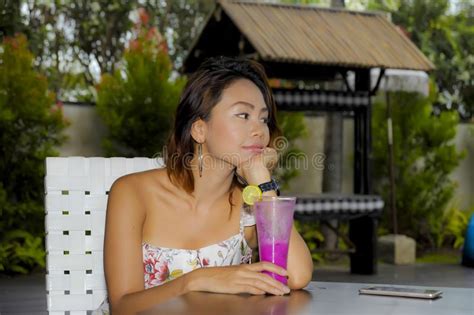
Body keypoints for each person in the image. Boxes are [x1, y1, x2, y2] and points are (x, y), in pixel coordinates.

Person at [102, 56, 313, 314]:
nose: (259, 130)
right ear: (199, 130)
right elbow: (122, 306)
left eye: (263, 119)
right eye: (243, 115)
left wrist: (263, 183)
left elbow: (297, 275)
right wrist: (197, 280)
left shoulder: (248, 206)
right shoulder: (132, 193)